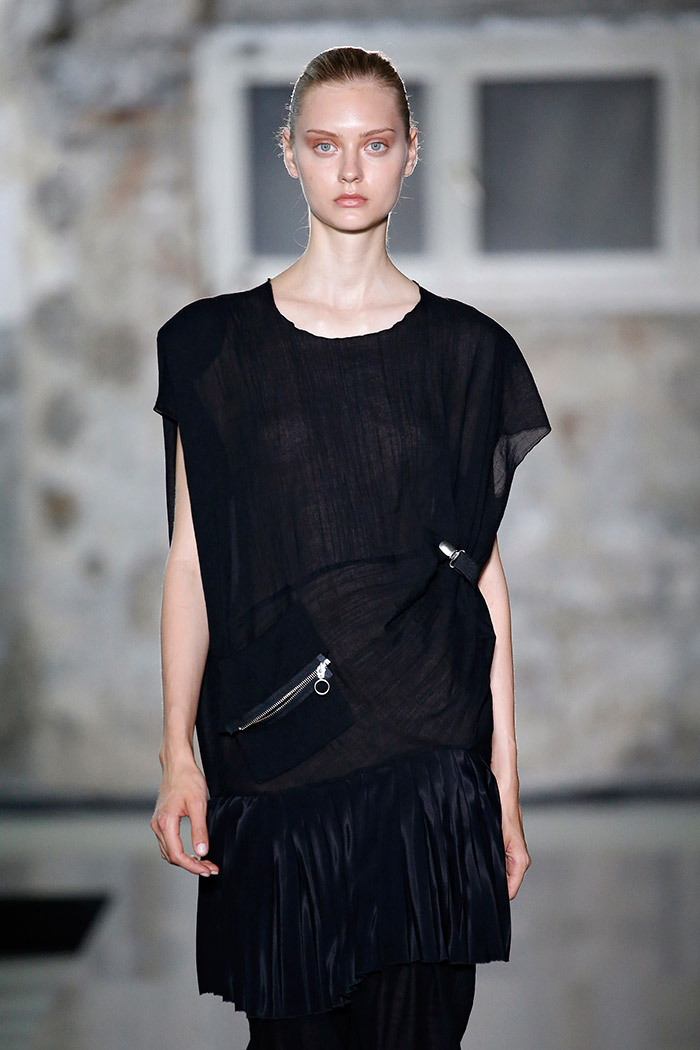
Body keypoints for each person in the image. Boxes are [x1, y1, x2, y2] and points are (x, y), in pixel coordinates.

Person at [150, 45, 551, 1050]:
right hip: (274, 753)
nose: (350, 169)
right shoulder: (212, 347)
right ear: (288, 152)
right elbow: (193, 560)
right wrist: (174, 753)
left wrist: (504, 787)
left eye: (374, 144)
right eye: (325, 145)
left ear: (410, 152)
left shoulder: (465, 353)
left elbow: (481, 577)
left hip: (426, 764)